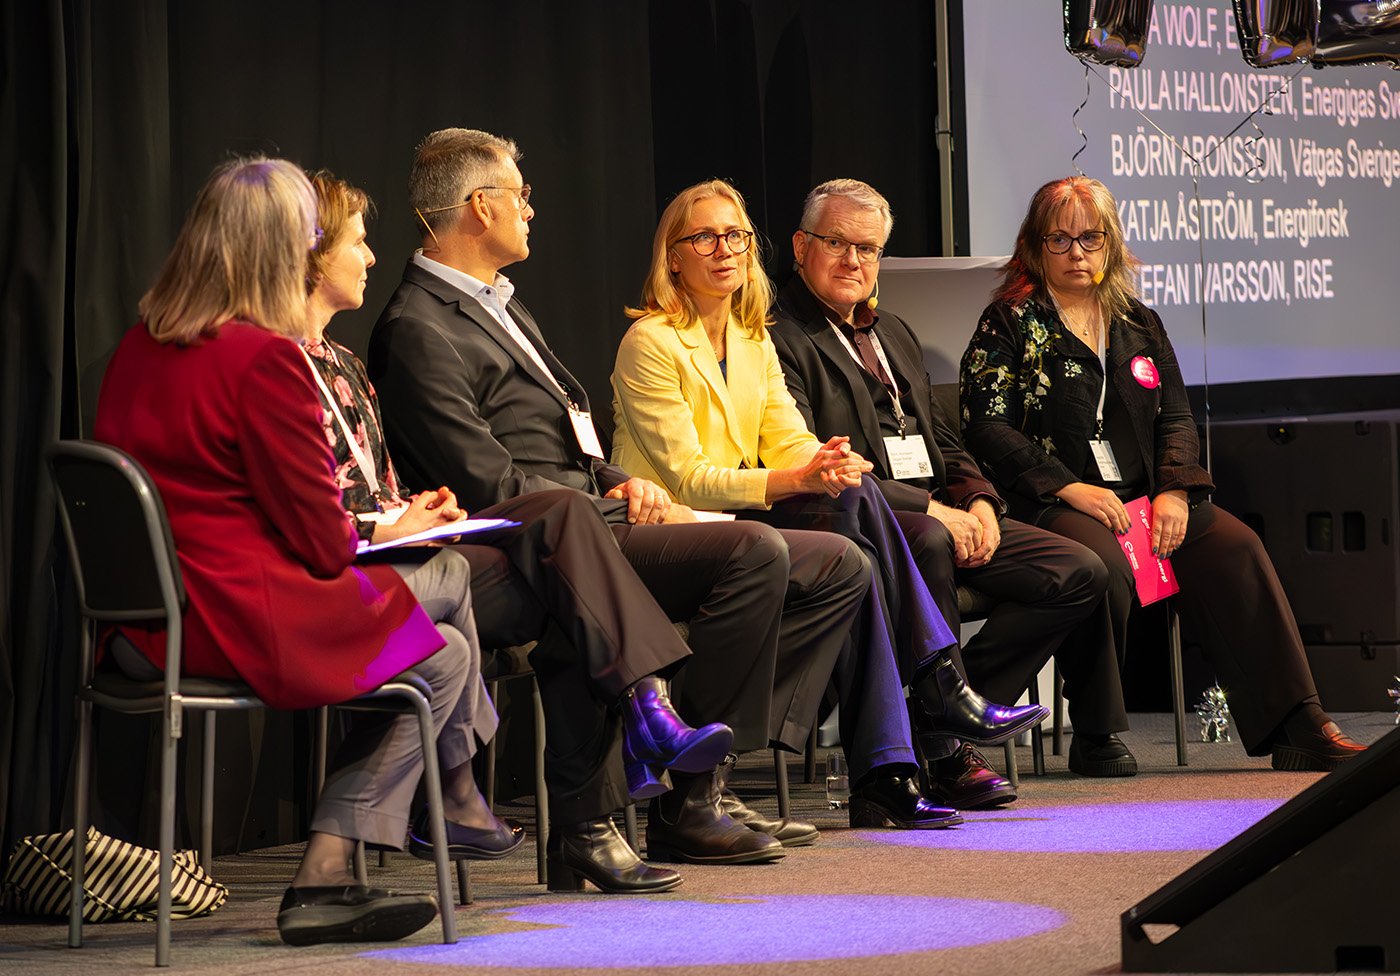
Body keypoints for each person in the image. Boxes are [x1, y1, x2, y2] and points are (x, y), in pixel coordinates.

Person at [368, 128, 870, 864]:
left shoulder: (502, 306)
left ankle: (685, 772)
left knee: (837, 564)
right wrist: (600, 503)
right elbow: (487, 483)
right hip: (519, 541)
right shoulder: (418, 326)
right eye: (521, 195)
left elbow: (574, 443)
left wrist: (619, 483)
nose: (532, 211)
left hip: (587, 513)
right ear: (480, 206)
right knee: (754, 549)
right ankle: (682, 789)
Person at [301, 171, 753, 893]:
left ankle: (599, 806)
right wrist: (395, 520)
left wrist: (413, 510)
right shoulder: (404, 330)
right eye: (358, 240)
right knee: (578, 560)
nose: (373, 255)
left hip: (451, 545)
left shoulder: (347, 361)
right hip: (386, 567)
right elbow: (328, 504)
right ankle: (635, 743)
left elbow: (381, 481)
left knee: (587, 581)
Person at [94, 157, 471, 947]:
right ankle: (339, 867)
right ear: (283, 253)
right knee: (450, 610)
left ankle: (357, 861)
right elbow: (328, 547)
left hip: (137, 630)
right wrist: (397, 528)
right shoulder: (266, 360)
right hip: (234, 622)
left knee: (447, 644)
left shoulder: (136, 348)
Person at [610, 178, 1048, 830]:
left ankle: (891, 767)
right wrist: (798, 480)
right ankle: (934, 693)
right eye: (704, 237)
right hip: (678, 528)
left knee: (856, 537)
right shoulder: (652, 341)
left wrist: (825, 463)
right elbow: (691, 479)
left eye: (735, 235)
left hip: (743, 522)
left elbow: (787, 439)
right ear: (673, 255)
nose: (724, 249)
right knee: (858, 518)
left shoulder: (751, 338)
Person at [959, 175, 1365, 772]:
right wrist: (1069, 487)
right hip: (1049, 498)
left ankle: (1296, 721)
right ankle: (1095, 732)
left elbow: (1175, 415)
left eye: (1091, 239)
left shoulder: (1138, 320)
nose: (1077, 253)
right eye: (1060, 239)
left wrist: (1175, 490)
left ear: (1112, 245)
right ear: (1033, 247)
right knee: (1099, 563)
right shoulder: (1010, 322)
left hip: (1146, 494)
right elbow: (986, 426)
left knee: (1235, 545)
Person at [769, 179, 1132, 783]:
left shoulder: (894, 334)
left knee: (1077, 572)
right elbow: (810, 462)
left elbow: (945, 443)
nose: (853, 261)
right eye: (836, 243)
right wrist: (934, 511)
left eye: (868, 248)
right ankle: (944, 747)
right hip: (859, 517)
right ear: (801, 246)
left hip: (942, 508)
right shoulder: (778, 338)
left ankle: (938, 713)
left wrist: (982, 501)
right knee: (930, 539)